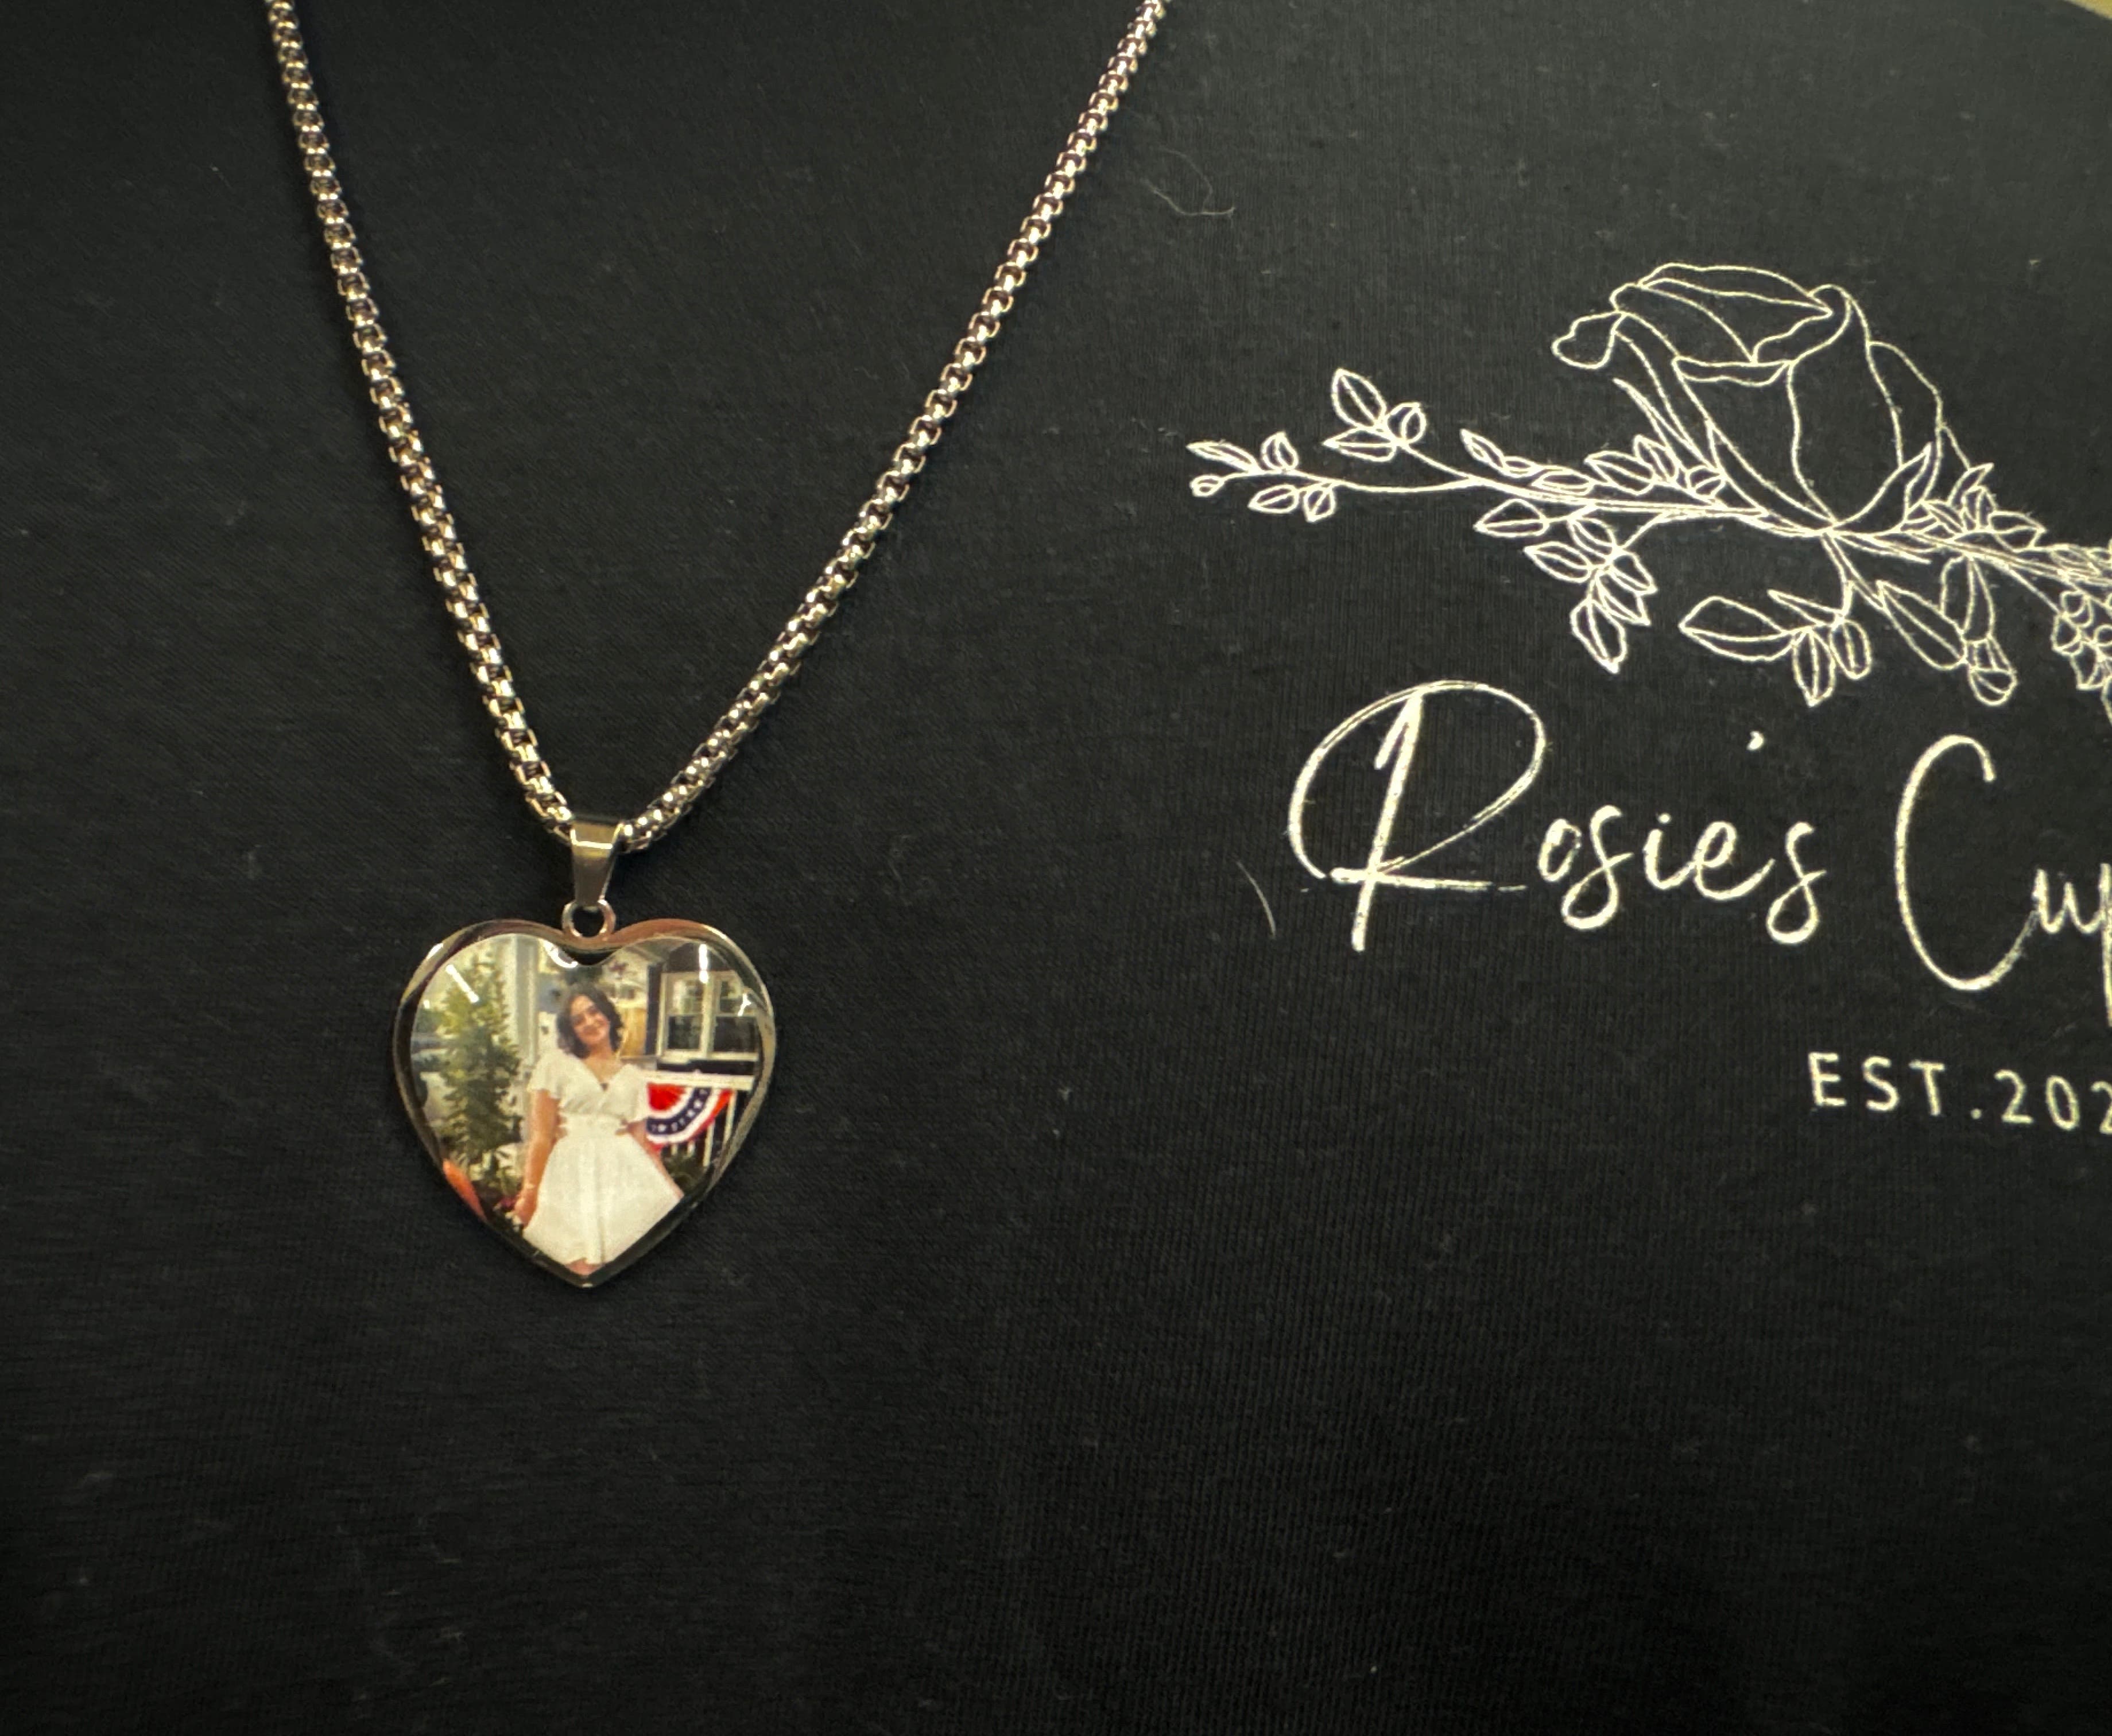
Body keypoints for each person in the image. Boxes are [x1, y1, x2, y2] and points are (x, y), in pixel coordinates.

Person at [515, 983, 681, 1274]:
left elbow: (642, 1143)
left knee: (624, 1262)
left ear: (607, 1014)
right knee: (578, 1263)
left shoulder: (632, 1077)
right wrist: (530, 1189)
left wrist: (671, 1188)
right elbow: (541, 1136)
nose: (590, 1022)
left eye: (594, 1012)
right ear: (571, 1030)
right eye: (578, 1020)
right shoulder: (556, 1065)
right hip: (572, 1172)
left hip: (623, 1175)